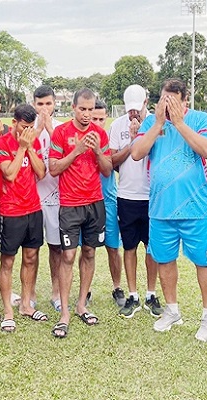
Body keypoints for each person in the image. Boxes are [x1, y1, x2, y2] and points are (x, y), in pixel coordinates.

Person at [130, 79, 207, 340]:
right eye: (163, 101)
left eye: (173, 102)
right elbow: (136, 153)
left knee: (204, 261)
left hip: (195, 207)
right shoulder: (151, 123)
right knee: (164, 260)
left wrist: (179, 123)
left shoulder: (200, 119)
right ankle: (171, 310)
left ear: (184, 101)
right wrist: (158, 124)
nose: (167, 106)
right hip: (160, 208)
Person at [48, 88, 112, 338]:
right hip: (70, 205)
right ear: (73, 107)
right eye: (82, 109)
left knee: (89, 251)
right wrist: (75, 152)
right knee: (68, 256)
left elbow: (107, 170)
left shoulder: (100, 134)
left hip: (95, 203)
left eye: (91, 109)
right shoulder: (62, 132)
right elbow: (53, 169)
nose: (87, 114)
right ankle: (64, 313)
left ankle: (81, 305)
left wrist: (96, 150)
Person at [0, 104, 48, 332]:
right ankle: (8, 310)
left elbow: (41, 172)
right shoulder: (0, 144)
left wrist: (30, 148)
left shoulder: (31, 141)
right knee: (8, 261)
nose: (26, 131)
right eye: (23, 127)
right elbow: (10, 173)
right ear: (14, 122)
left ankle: (26, 304)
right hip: (11, 210)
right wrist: (22, 149)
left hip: (33, 208)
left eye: (30, 127)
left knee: (31, 258)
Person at [110, 84, 160, 318]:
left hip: (152, 196)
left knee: (153, 248)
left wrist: (142, 135)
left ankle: (151, 294)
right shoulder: (117, 125)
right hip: (127, 196)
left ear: (145, 103)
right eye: (129, 109)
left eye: (136, 109)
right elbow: (112, 161)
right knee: (129, 247)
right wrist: (131, 141)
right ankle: (133, 295)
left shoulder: (157, 125)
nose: (133, 114)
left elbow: (158, 156)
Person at [90, 100, 123, 308]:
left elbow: (110, 169)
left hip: (109, 200)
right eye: (94, 118)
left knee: (113, 247)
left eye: (102, 119)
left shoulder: (110, 142)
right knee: (88, 249)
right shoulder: (79, 139)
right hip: (87, 202)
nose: (98, 122)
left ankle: (117, 286)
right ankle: (86, 290)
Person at [33, 85, 64, 311]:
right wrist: (37, 130)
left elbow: (68, 155)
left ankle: (56, 292)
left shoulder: (63, 128)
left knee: (56, 248)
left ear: (55, 104)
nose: (44, 109)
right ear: (34, 104)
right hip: (32, 197)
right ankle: (30, 294)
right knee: (31, 249)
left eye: (48, 104)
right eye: (40, 104)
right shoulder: (27, 126)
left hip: (57, 197)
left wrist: (51, 130)